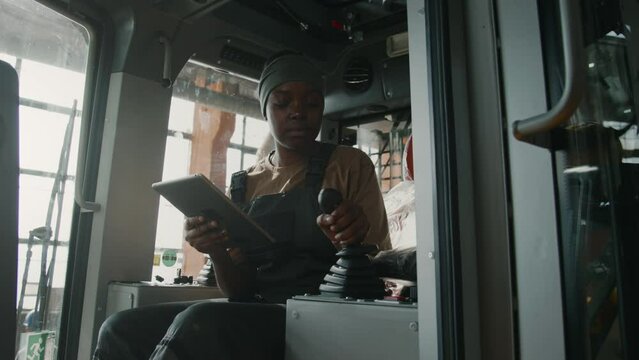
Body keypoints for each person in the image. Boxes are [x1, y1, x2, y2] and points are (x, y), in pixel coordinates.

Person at [93, 52, 391, 360]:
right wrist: (217, 251)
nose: (298, 112)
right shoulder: (243, 184)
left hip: (322, 312)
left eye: (312, 103)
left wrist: (354, 237)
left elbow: (380, 263)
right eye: (283, 102)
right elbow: (238, 291)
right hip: (256, 309)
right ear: (265, 109)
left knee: (199, 323)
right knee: (120, 328)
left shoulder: (349, 164)